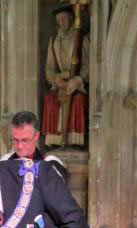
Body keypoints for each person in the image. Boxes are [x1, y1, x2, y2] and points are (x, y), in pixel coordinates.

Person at [42, 4, 89, 148]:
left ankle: (75, 140)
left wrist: (78, 79)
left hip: (77, 82)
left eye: (64, 19)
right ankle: (55, 141)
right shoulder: (54, 40)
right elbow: (49, 67)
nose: (61, 23)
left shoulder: (82, 38)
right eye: (59, 20)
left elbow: (89, 63)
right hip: (60, 82)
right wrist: (56, 78)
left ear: (71, 19)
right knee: (50, 99)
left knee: (78, 100)